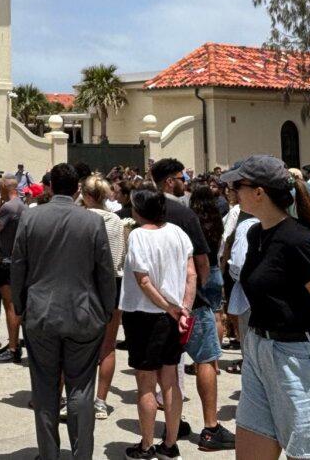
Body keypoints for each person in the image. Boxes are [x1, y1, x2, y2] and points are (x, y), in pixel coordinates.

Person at [222, 155, 310, 460]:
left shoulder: (299, 242)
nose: (231, 192)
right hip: (257, 351)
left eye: (237, 185)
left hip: (299, 359)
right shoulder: (255, 234)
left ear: (259, 192)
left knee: (308, 454)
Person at [11, 162, 115, 460]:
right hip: (84, 315)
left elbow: (18, 266)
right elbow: (105, 271)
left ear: (50, 187)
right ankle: (82, 455)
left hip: (41, 314)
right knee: (81, 388)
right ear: (77, 189)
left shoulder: (31, 219)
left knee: (44, 389)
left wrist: (20, 306)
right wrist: (107, 310)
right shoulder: (93, 222)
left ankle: (49, 454)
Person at [119, 186, 194, 459]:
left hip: (144, 316)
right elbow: (191, 274)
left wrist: (170, 308)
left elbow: (144, 281)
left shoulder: (139, 236)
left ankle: (147, 443)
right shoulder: (178, 232)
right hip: (173, 314)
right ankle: (170, 442)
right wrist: (183, 308)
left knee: (146, 383)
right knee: (170, 379)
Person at [148, 158, 213, 441]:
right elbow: (201, 260)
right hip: (188, 300)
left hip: (153, 301)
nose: (185, 182)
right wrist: (202, 287)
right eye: (181, 178)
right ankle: (211, 427)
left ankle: (172, 425)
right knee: (207, 359)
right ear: (168, 182)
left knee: (167, 367)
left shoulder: (141, 210)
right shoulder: (183, 214)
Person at [185, 183, 234, 451]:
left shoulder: (191, 220)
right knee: (217, 315)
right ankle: (214, 359)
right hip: (214, 270)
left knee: (210, 316)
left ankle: (209, 359)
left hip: (201, 273)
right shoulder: (216, 220)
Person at [80, 175, 125, 421]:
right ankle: (101, 401)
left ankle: (73, 396)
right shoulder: (116, 221)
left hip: (85, 284)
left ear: (86, 196)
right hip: (113, 284)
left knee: (77, 343)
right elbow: (120, 257)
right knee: (108, 346)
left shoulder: (81, 218)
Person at [0, 174, 26, 365]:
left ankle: (13, 348)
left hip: (5, 262)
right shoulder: (22, 206)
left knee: (9, 305)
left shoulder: (7, 208)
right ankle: (14, 344)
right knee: (14, 305)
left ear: (5, 186)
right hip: (18, 261)